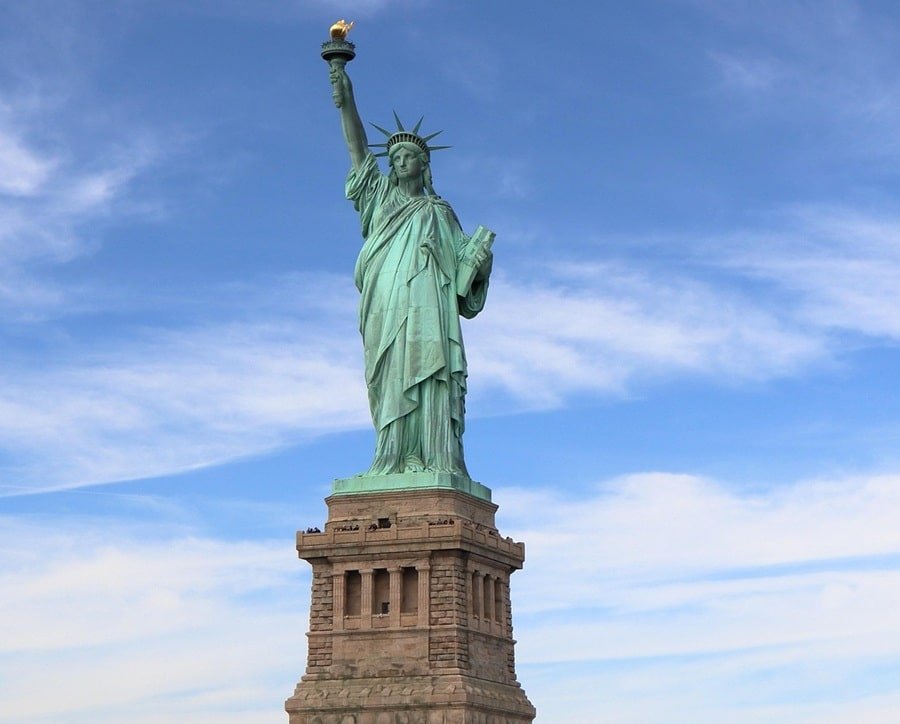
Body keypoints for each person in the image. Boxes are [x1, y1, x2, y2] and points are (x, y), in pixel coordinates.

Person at [329, 64, 493, 478]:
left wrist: (480, 261)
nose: (400, 162)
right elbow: (356, 146)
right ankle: (393, 455)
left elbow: (462, 283)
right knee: (390, 372)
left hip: (429, 306)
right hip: (386, 299)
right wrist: (344, 92)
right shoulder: (379, 196)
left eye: (409, 157)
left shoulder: (440, 212)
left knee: (430, 371)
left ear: (424, 165)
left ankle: (434, 456)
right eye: (395, 157)